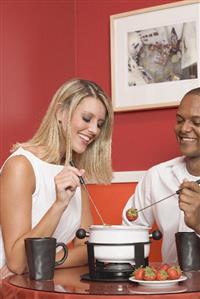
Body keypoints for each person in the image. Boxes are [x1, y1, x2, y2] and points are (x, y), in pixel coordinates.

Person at [0, 78, 113, 278]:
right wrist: (59, 205)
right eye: (87, 118)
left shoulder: (74, 173)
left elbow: (88, 249)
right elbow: (17, 262)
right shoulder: (21, 167)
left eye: (100, 124)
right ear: (61, 113)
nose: (95, 130)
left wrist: (42, 261)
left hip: (39, 282)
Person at [122, 87, 200, 264]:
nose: (184, 129)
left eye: (197, 122)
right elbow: (130, 230)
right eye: (180, 120)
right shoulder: (156, 176)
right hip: (170, 286)